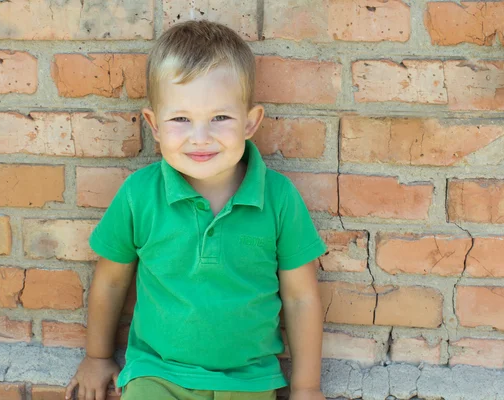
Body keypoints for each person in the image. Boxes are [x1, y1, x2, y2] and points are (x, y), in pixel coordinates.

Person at [65, 20, 327, 400]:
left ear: (251, 122)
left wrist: (306, 387)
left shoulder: (279, 197)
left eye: (220, 118)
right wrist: (97, 356)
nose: (200, 137)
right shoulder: (140, 195)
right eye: (180, 119)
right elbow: (111, 280)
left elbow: (301, 298)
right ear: (154, 124)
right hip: (157, 375)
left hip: (249, 381)